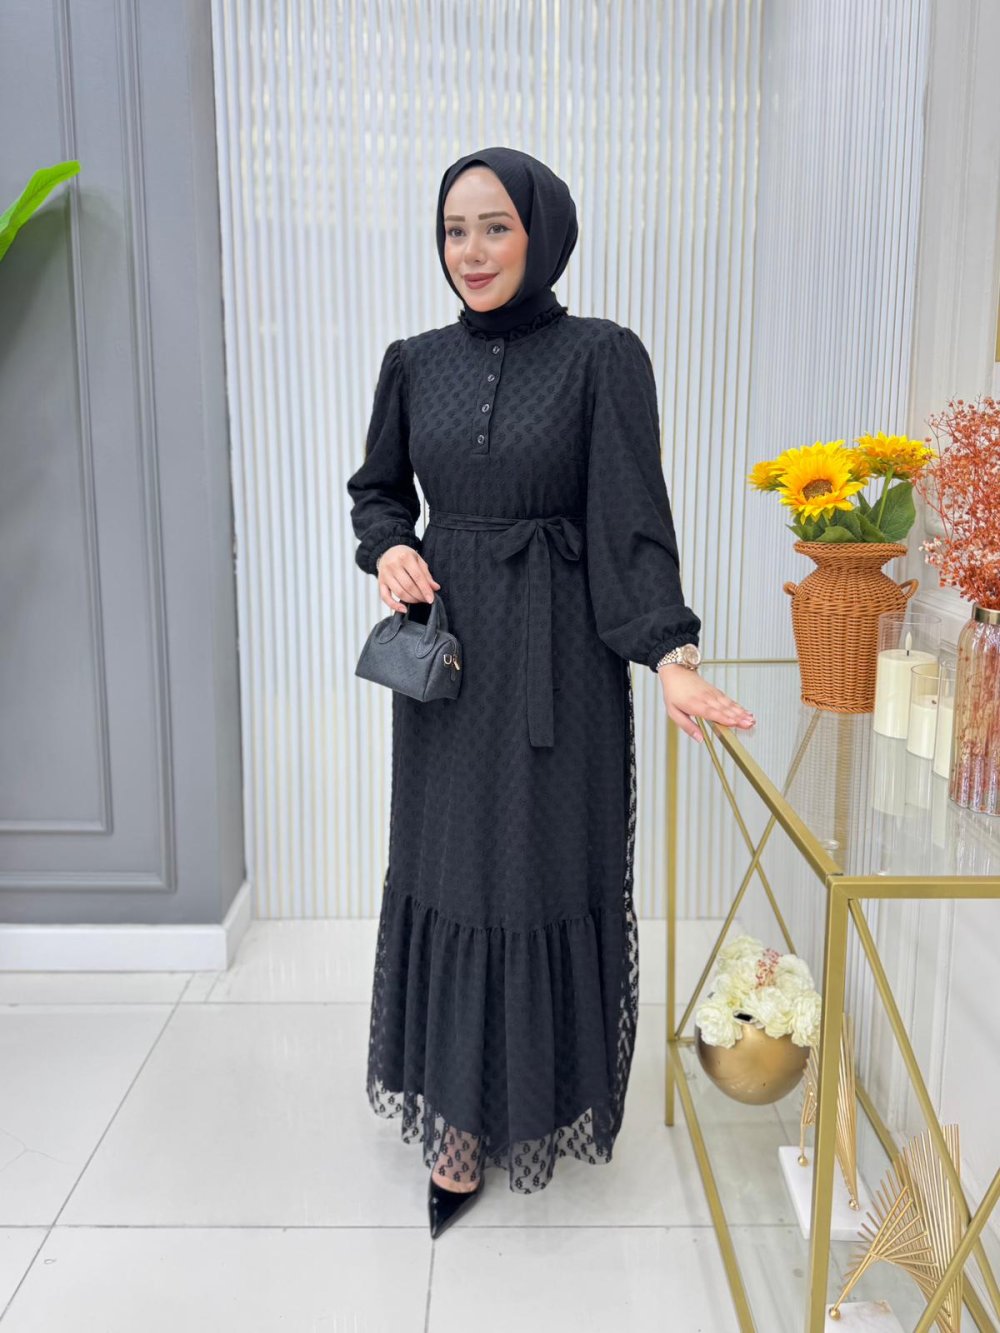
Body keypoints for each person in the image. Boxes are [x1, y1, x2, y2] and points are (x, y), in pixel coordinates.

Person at [346, 146, 755, 1239]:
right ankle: (457, 1123)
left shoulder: (602, 357)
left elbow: (631, 520)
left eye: (495, 227)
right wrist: (389, 548)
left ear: (543, 232)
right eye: (454, 230)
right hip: (448, 671)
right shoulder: (413, 362)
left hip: (559, 669)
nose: (471, 251)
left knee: (535, 872)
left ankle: (531, 1093)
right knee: (451, 871)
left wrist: (669, 656)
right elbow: (378, 493)